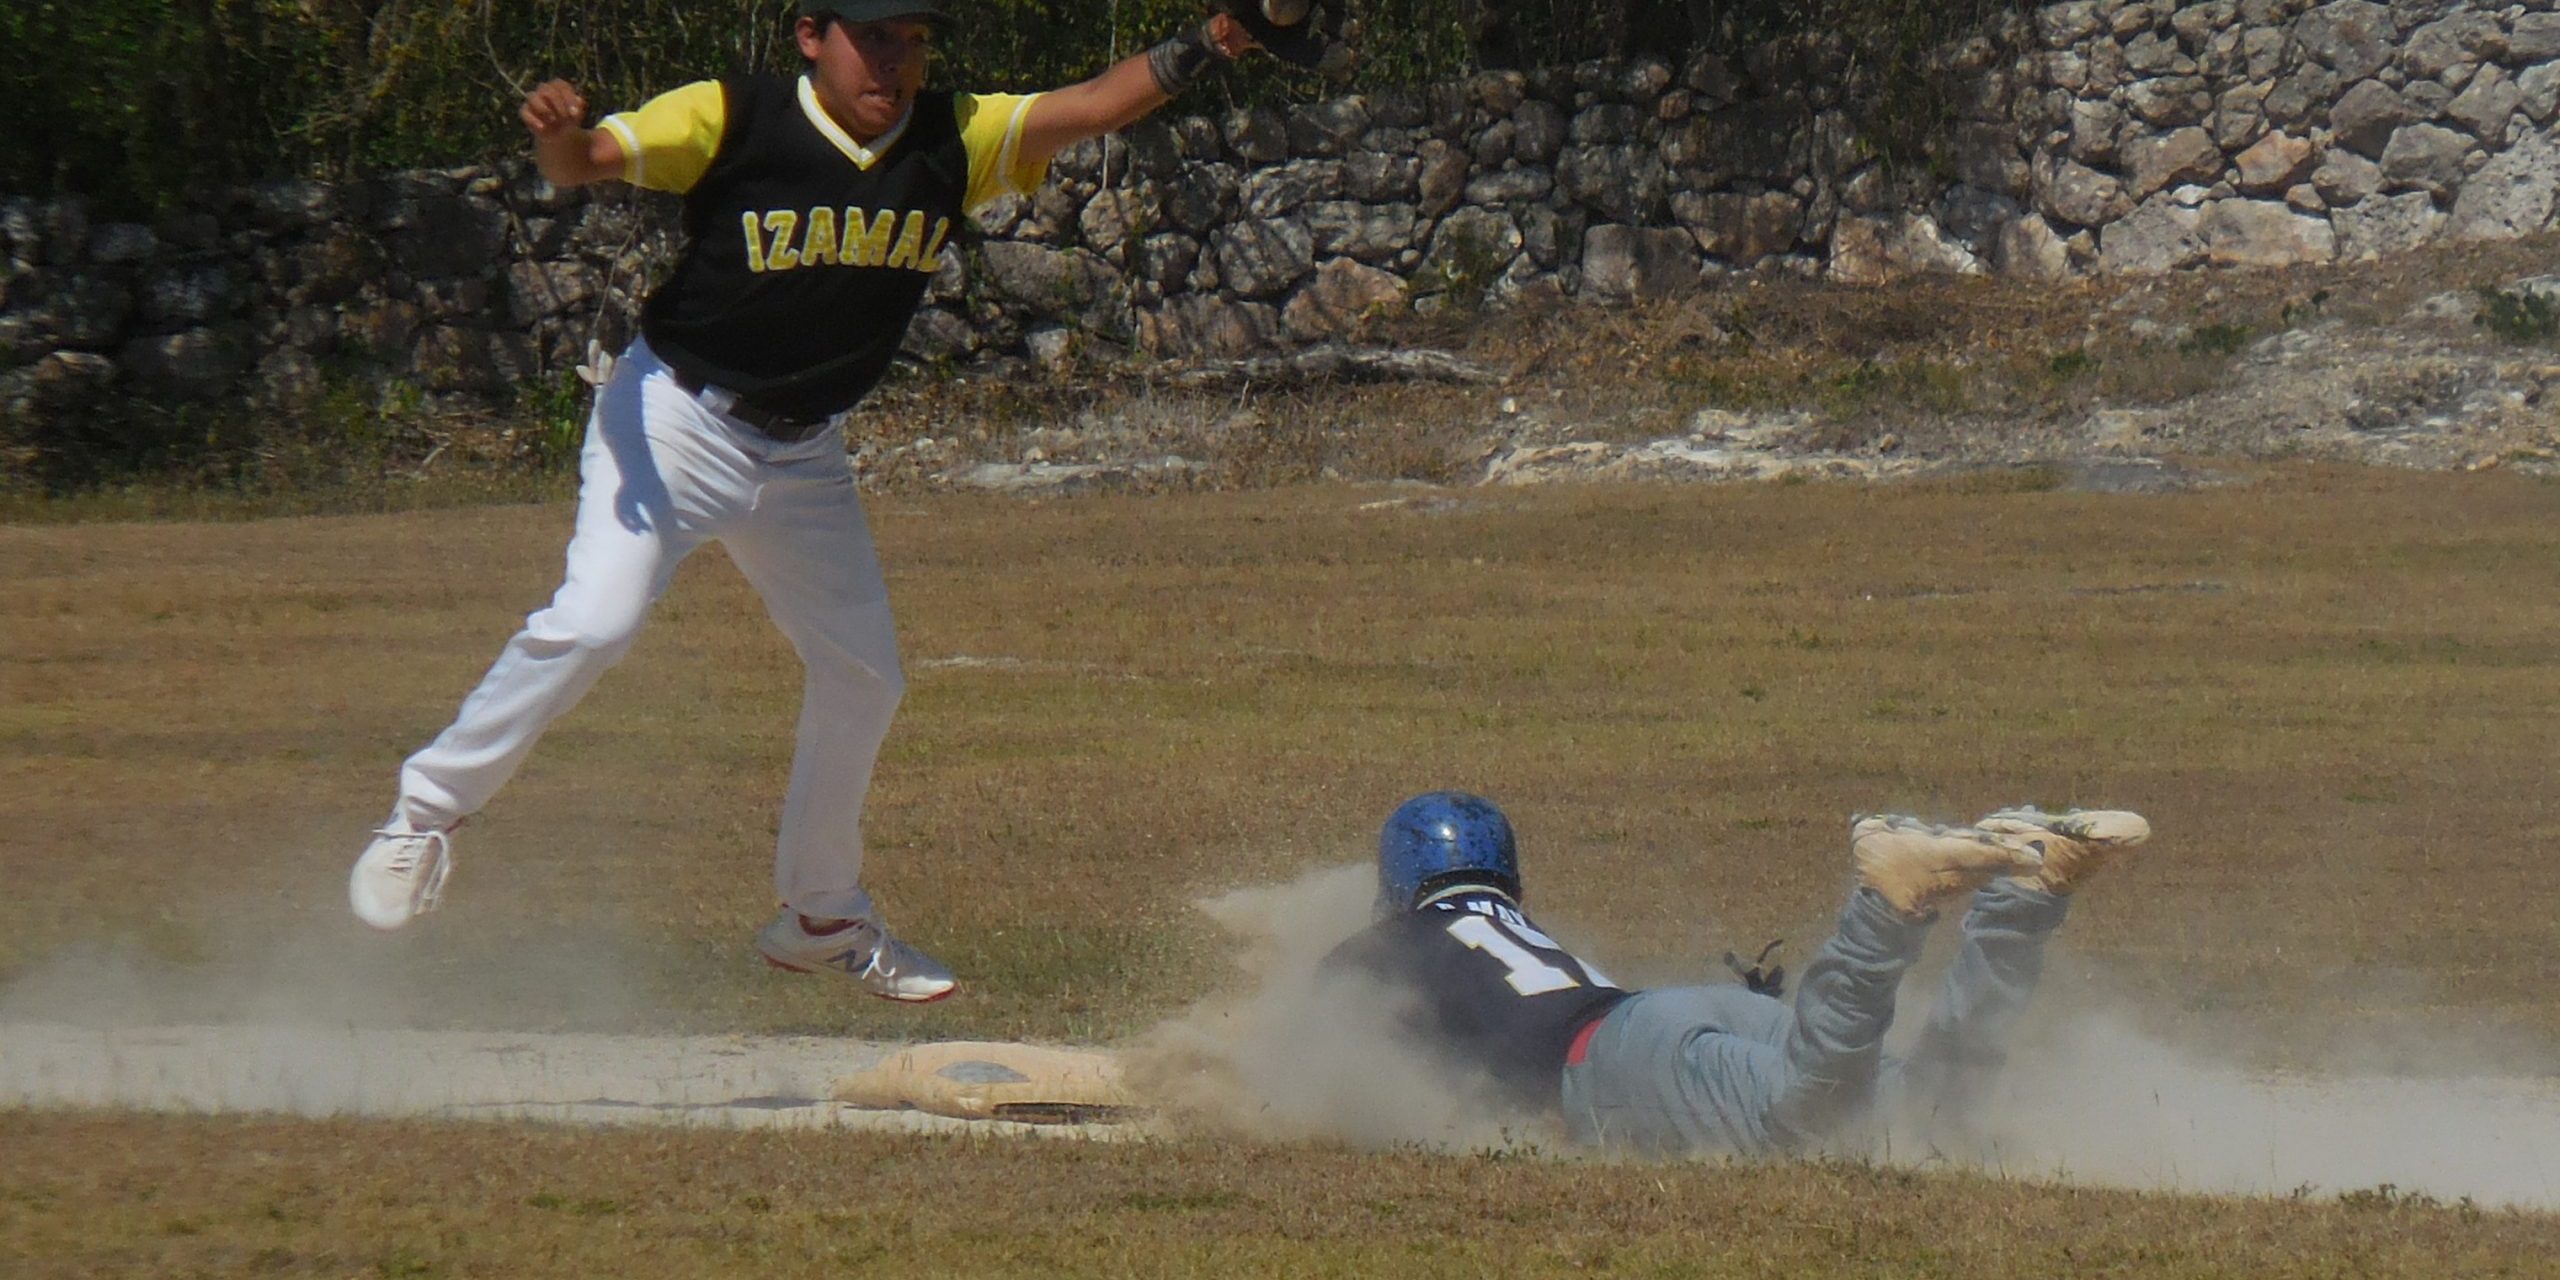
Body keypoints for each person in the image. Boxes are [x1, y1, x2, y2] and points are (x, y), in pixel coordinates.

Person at [347, 1, 1305, 1002]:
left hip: (803, 452)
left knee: (864, 676)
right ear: (811, 34)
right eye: (871, 36)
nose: (892, 60)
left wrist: (1224, 31)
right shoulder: (733, 116)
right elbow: (585, 162)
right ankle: (423, 813)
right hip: (678, 418)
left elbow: (1093, 105)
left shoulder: (953, 138)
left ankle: (820, 914)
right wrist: (556, 137)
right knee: (596, 620)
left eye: (911, 39)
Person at [1324, 791, 2151, 1154]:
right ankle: (2028, 891)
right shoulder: (1513, 926)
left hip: (1611, 1064)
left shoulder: (1390, 950)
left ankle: (1888, 902)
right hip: (1668, 1013)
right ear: (1506, 874)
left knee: (1801, 1122)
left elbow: (1327, 1055)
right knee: (1924, 1120)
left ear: (1394, 888)